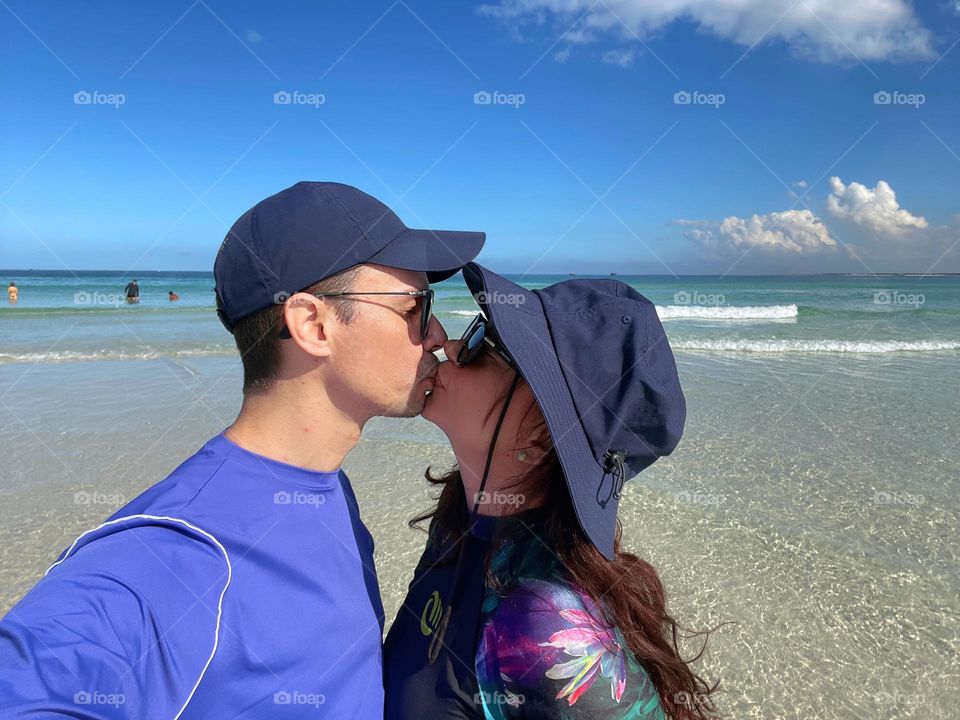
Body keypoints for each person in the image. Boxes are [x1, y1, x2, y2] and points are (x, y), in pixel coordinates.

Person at [0, 181, 485, 717]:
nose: (437, 333)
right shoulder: (177, 552)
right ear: (313, 324)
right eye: (416, 306)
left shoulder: (327, 486)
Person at [384, 264, 722, 719]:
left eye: (485, 344)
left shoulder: (547, 629)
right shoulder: (459, 523)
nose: (453, 346)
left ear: (540, 437)